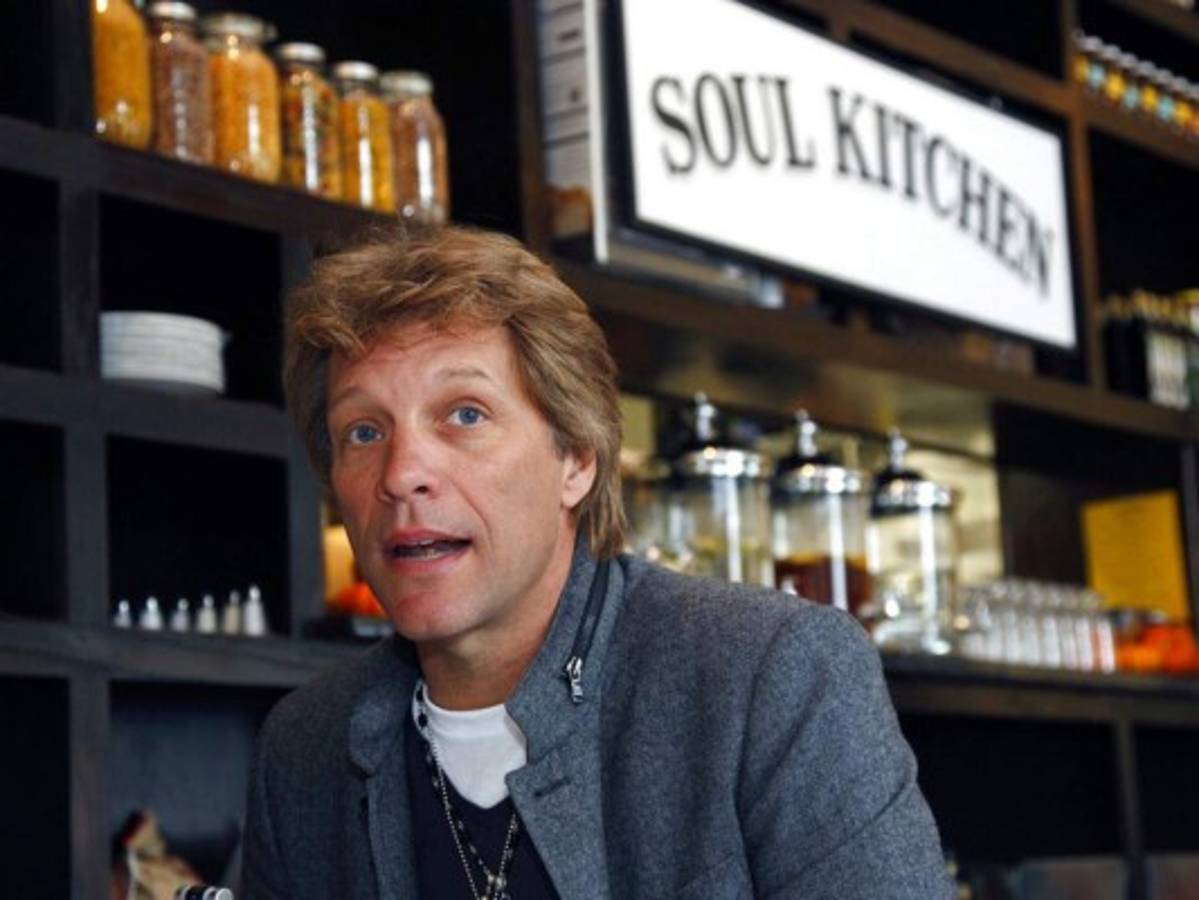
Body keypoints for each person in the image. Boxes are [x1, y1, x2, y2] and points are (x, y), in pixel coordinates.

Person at [243, 225, 953, 899]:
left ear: (577, 459)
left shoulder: (772, 674)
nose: (401, 474)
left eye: (464, 415)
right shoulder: (306, 746)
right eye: (363, 432)